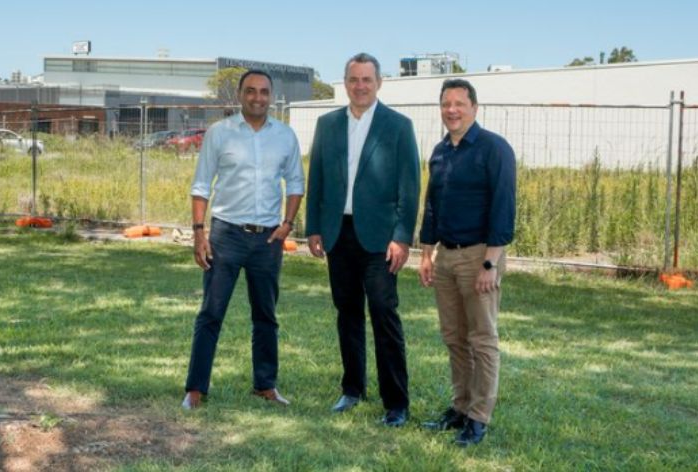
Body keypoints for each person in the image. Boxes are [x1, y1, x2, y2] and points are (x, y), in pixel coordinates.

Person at [305, 53, 420, 427]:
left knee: (384, 313)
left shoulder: (398, 126)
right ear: (345, 83)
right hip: (338, 233)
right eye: (353, 79)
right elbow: (317, 178)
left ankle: (396, 403)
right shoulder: (327, 124)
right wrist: (314, 227)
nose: (360, 86)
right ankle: (352, 389)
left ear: (379, 83)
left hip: (381, 239)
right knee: (348, 312)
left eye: (367, 79)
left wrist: (402, 237)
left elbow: (409, 187)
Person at [181, 69, 305, 410]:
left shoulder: (285, 136)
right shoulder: (219, 133)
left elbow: (296, 182)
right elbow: (201, 185)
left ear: (271, 96)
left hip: (268, 240)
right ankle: (195, 389)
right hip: (226, 236)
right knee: (211, 313)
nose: (257, 97)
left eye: (264, 92)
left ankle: (265, 386)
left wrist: (287, 224)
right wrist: (199, 232)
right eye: (251, 91)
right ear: (240, 95)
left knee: (266, 315)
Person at [418, 78, 516, 446]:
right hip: (445, 257)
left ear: (474, 107)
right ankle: (460, 408)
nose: (452, 110)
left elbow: (504, 207)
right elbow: (431, 205)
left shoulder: (494, 149)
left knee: (482, 340)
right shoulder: (440, 151)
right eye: (446, 103)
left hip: (479, 256)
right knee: (454, 339)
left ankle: (478, 418)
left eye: (459, 103)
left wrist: (490, 263)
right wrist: (426, 254)